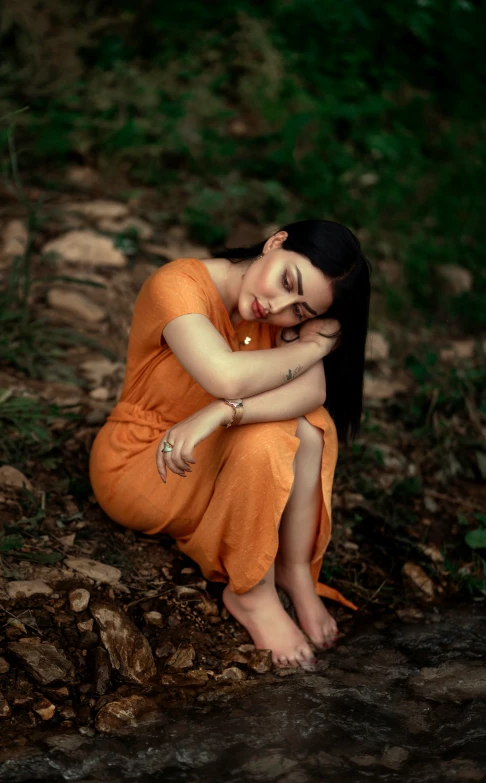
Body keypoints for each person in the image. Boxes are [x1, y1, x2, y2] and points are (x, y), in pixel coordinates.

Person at [89, 218, 371, 671]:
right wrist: (314, 347)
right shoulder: (178, 284)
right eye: (286, 281)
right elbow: (225, 376)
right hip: (144, 461)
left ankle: (294, 570)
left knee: (307, 423)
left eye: (300, 311)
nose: (278, 306)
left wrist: (222, 412)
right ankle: (252, 593)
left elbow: (312, 394)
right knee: (269, 434)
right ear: (275, 241)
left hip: (205, 450)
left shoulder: (273, 311)